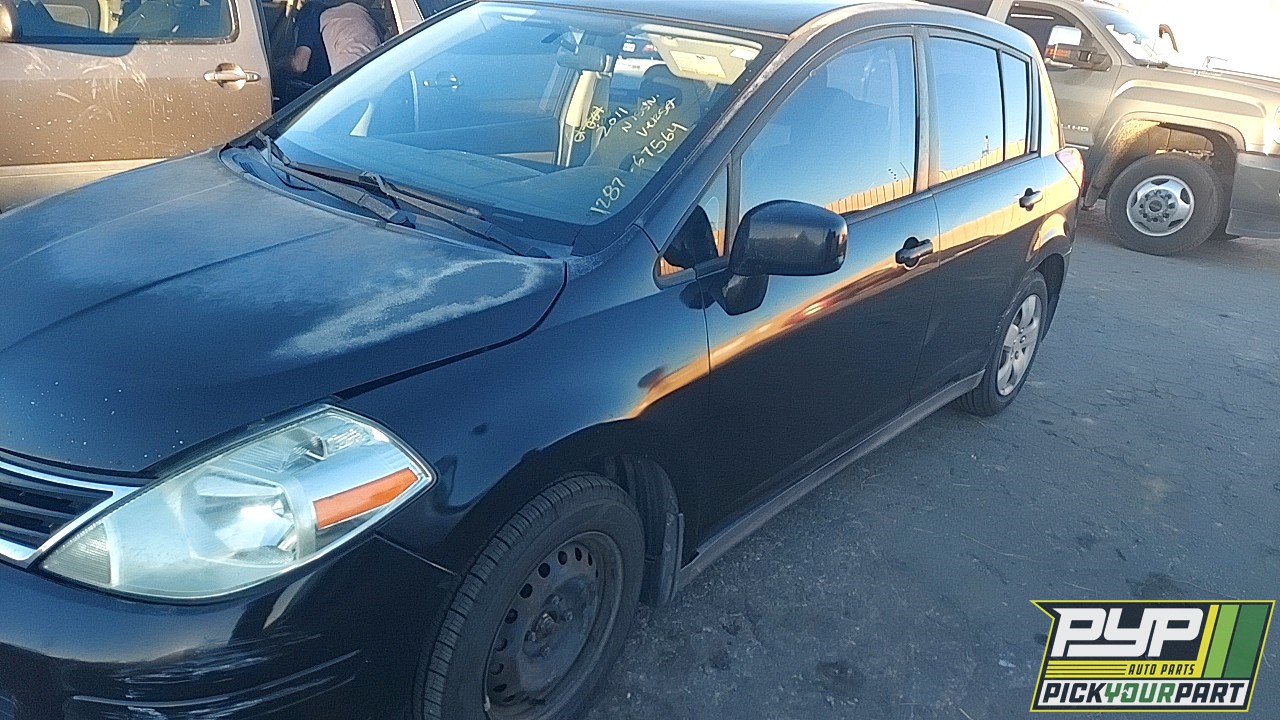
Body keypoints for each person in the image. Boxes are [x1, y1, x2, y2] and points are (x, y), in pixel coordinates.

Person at [290, 0, 381, 85]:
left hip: (345, 85)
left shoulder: (311, 12)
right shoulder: (362, 14)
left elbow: (300, 65)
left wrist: (278, 66)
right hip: (377, 77)